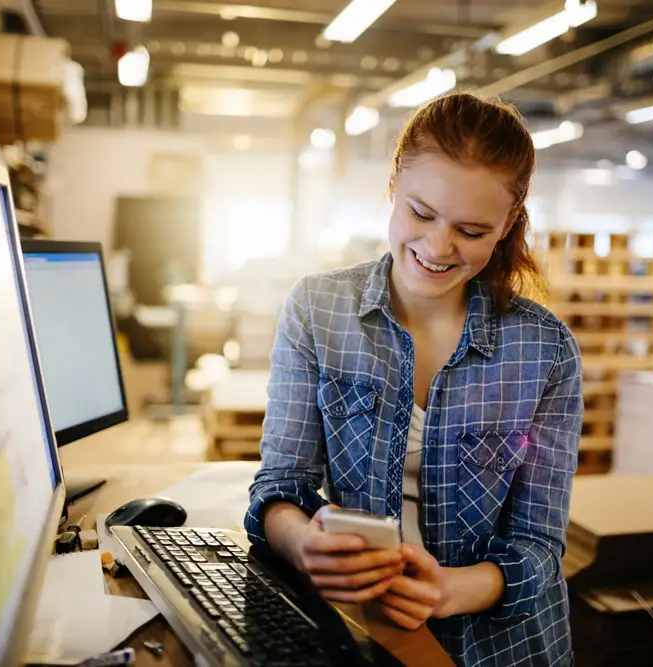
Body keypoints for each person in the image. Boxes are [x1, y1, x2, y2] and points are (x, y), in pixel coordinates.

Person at [245, 92, 583, 667]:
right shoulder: (318, 310)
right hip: (368, 633)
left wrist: (450, 590)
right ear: (394, 186)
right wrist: (304, 545)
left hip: (504, 650)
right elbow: (280, 485)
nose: (437, 247)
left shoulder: (545, 350)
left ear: (507, 225)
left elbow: (540, 547)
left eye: (471, 230)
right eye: (421, 214)